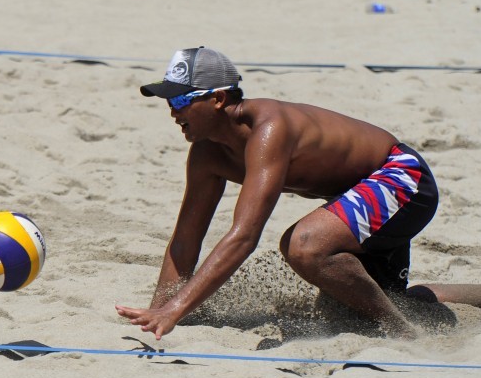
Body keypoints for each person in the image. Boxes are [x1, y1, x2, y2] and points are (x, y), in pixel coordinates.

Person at [115, 46, 481, 339]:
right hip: (359, 197)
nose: (172, 112)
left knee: (304, 245)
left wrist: (175, 311)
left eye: (181, 101)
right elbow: (185, 239)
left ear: (218, 99)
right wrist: (157, 311)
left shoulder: (270, 127)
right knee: (376, 301)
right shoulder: (206, 154)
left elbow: (244, 237)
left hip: (403, 178)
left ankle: (402, 334)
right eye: (168, 101)